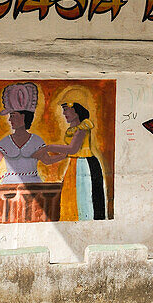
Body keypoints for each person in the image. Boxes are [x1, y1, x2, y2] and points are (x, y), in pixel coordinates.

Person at [39, 89, 109, 220]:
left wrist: (48, 147)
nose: (64, 113)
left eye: (66, 109)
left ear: (77, 108)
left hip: (85, 165)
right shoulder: (73, 130)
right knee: (72, 201)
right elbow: (69, 154)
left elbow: (72, 149)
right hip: (75, 165)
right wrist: (50, 159)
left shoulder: (83, 127)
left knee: (85, 201)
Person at [0, 83, 48, 184]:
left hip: (34, 185)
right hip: (9, 186)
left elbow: (47, 160)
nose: (10, 119)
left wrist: (64, 153)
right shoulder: (5, 142)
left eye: (13, 115)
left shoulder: (37, 141)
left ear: (23, 117)